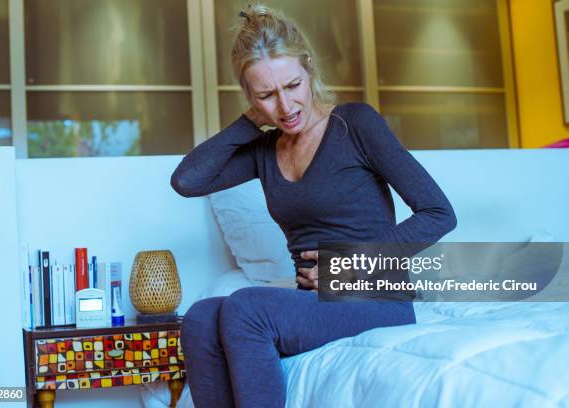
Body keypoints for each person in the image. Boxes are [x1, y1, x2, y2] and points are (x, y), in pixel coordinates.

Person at [170, 5, 456, 407]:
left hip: (375, 299)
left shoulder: (354, 125)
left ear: (309, 70)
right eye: (267, 95)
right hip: (314, 300)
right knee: (200, 318)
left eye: (292, 85)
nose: (285, 107)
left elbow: (439, 213)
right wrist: (250, 121)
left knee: (248, 307)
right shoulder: (265, 149)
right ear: (250, 97)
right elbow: (187, 181)